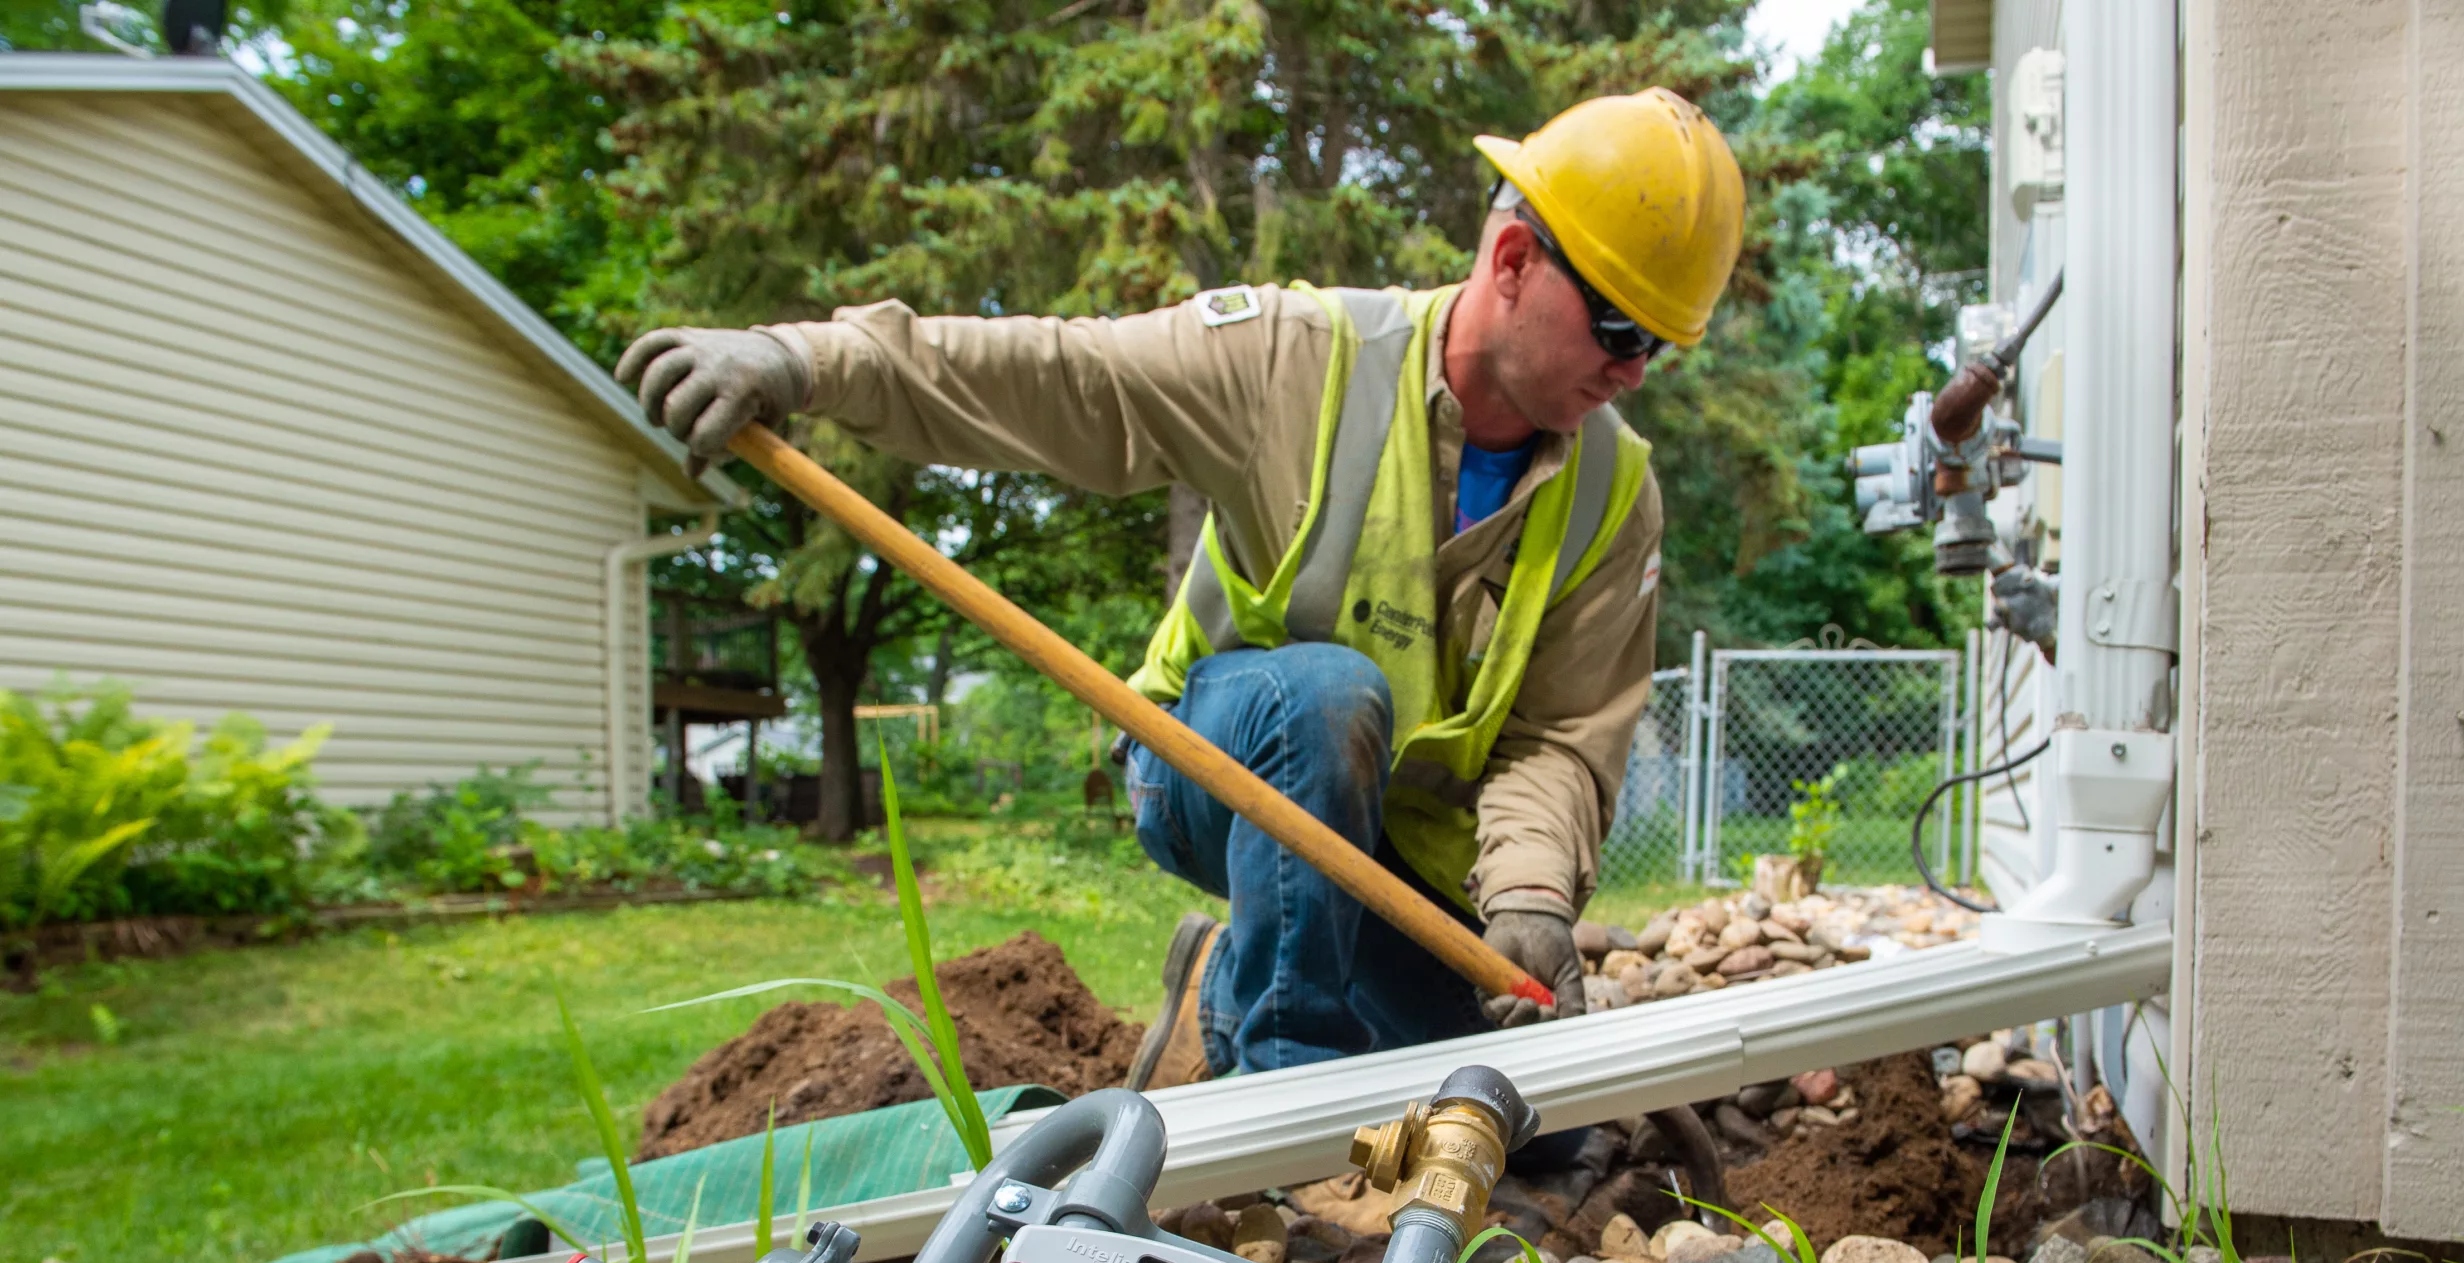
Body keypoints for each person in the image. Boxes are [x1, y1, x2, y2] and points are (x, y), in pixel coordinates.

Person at [618, 89, 1745, 1085]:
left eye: (1661, 347)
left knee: (1525, 1111)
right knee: (1325, 696)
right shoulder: (1298, 360)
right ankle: (1278, 1091)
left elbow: (1556, 737)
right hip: (1216, 768)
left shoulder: (1612, 494)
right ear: (1510, 263)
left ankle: (1225, 982)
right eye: (1617, 327)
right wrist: (805, 360)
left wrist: (1531, 904)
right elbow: (1064, 374)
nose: (1633, 372)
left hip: (1390, 854)